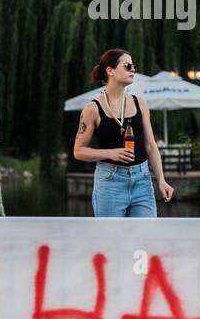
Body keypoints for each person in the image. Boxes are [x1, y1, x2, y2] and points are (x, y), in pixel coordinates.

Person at [73, 48, 174, 217]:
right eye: (127, 66)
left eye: (134, 66)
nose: (133, 70)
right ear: (110, 70)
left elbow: (150, 145)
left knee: (144, 240)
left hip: (142, 180)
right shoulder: (92, 109)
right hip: (109, 182)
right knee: (112, 241)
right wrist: (110, 153)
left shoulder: (140, 104)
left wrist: (161, 180)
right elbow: (79, 151)